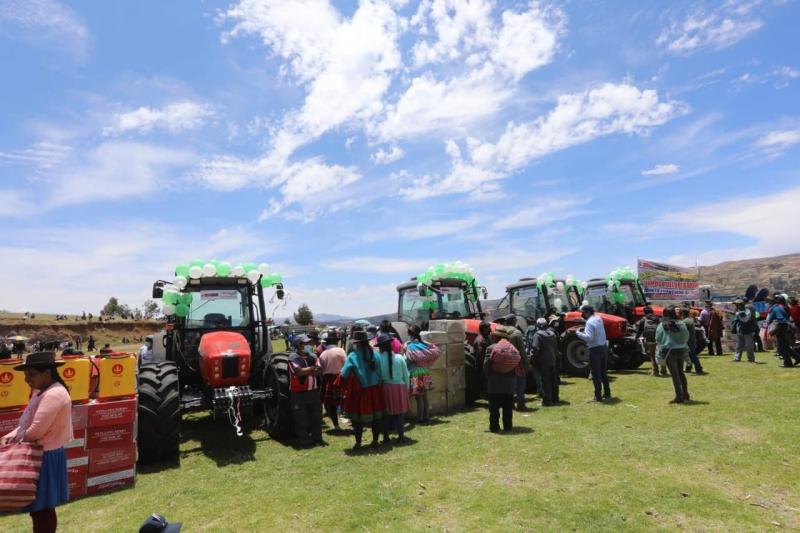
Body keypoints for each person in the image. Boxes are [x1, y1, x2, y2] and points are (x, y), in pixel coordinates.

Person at [1, 352, 73, 533]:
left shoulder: (54, 394)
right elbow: (26, 425)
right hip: (41, 454)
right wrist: (8, 436)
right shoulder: (42, 391)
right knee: (40, 509)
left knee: (42, 509)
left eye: (31, 374)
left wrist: (13, 442)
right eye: (26, 374)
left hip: (44, 455)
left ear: (47, 373)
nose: (26, 379)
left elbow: (35, 431)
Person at [340, 330, 385, 449]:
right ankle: (375, 441)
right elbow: (381, 372)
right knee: (377, 417)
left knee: (357, 419)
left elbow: (344, 374)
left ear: (357, 343)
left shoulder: (353, 356)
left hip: (360, 392)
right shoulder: (376, 354)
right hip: (376, 390)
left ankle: (358, 443)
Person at [288, 334, 325, 447]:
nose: (309, 345)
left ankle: (317, 438)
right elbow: (298, 372)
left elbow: (319, 370)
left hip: (313, 392)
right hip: (299, 394)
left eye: (309, 343)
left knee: (316, 417)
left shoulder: (313, 356)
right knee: (301, 418)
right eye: (306, 343)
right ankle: (304, 440)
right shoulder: (293, 358)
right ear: (299, 345)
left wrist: (309, 370)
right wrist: (312, 369)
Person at [375, 333, 410, 444]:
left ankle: (386, 438)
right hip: (400, 388)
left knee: (386, 415)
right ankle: (401, 436)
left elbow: (378, 376)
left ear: (380, 347)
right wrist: (407, 389)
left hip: (385, 388)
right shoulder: (400, 358)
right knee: (399, 414)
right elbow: (406, 376)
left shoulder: (378, 358)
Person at [483, 327, 518, 432]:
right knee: (508, 407)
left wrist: (488, 376)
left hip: (495, 382)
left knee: (494, 408)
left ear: (496, 337)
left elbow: (486, 365)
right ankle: (508, 426)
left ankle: (494, 427)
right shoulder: (512, 348)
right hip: (509, 383)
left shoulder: (491, 348)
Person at [576, 304, 611, 402]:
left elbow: (589, 337)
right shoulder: (598, 318)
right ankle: (607, 394)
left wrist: (578, 333)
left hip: (595, 349)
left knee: (596, 374)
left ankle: (598, 396)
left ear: (587, 312)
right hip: (603, 347)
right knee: (604, 372)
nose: (582, 314)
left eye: (583, 312)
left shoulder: (589, 323)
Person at [656, 307, 690, 404]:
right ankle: (685, 394)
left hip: (670, 351)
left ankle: (679, 396)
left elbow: (658, 338)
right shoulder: (681, 323)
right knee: (681, 373)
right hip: (682, 350)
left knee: (675, 375)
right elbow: (686, 336)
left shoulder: (662, 325)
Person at [404, 326, 437, 423]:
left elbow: (408, 359)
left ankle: (420, 418)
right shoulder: (423, 344)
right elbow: (435, 350)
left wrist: (406, 346)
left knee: (418, 398)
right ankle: (426, 416)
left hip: (416, 373)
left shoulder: (410, 346)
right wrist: (428, 363)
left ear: (411, 334)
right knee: (425, 396)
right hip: (425, 372)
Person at [318, 331, 347, 431]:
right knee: (344, 401)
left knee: (331, 404)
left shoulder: (322, 354)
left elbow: (321, 369)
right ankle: (348, 418)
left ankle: (336, 425)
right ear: (336, 341)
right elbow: (346, 365)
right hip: (340, 378)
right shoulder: (340, 351)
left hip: (327, 380)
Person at [529, 318, 559, 406]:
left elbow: (535, 348)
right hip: (552, 359)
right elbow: (556, 347)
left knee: (545, 381)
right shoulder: (552, 334)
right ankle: (555, 398)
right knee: (553, 380)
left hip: (542, 361)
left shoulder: (537, 335)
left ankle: (547, 401)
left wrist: (533, 359)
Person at [767, 295, 800, 368]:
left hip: (781, 329)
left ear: (774, 301)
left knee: (780, 348)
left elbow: (781, 319)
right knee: (785, 346)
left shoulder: (776, 309)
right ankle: (797, 358)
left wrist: (775, 329)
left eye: (769, 301)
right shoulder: (781, 308)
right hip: (784, 328)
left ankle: (788, 363)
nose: (768, 302)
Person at [635, 306, 666, 376]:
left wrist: (636, 338)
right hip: (659, 339)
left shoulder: (643, 319)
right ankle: (663, 370)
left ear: (644, 312)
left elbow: (640, 330)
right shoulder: (658, 318)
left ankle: (655, 370)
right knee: (661, 354)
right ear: (652, 311)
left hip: (649, 340)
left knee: (652, 355)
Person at [469, 322, 492, 402]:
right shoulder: (480, 340)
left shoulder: (487, 338)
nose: (490, 329)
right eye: (488, 328)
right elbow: (480, 356)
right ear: (484, 329)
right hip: (483, 366)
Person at [681, 305, 705, 375]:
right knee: (689, 355)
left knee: (692, 355)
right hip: (692, 340)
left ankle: (699, 368)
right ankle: (689, 368)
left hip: (688, 341)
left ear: (683, 313)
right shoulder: (690, 320)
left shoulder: (685, 322)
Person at [731, 299, 756, 363]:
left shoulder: (747, 311)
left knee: (749, 346)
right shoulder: (738, 311)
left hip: (748, 330)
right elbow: (736, 320)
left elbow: (745, 319)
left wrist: (735, 313)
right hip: (740, 330)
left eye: (737, 305)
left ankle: (751, 359)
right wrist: (733, 328)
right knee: (738, 346)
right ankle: (737, 358)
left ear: (741, 305)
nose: (736, 306)